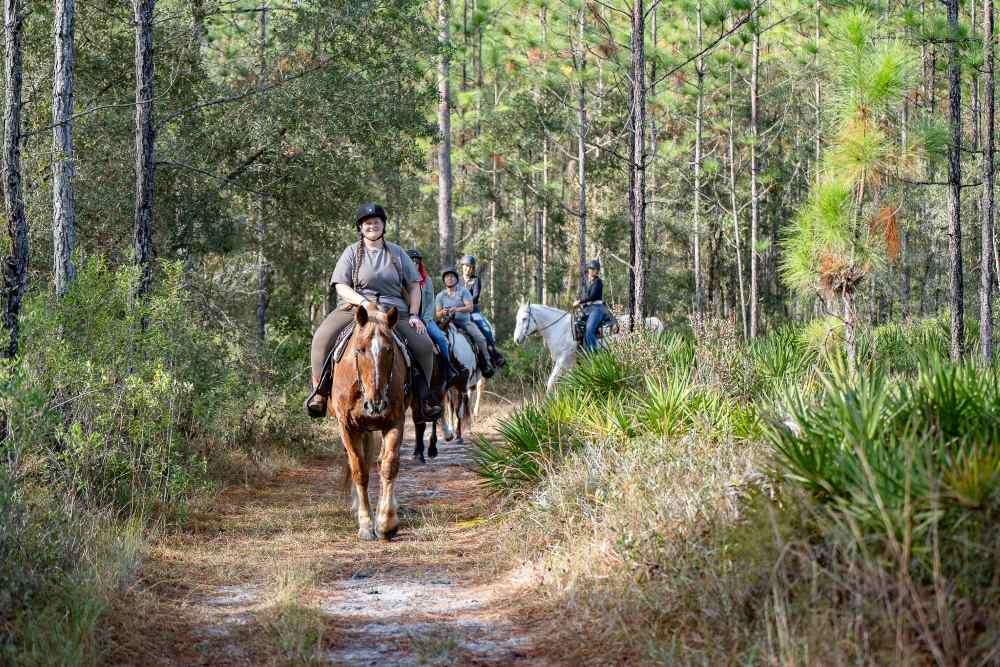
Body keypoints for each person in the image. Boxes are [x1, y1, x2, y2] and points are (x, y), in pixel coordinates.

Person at [305, 203, 441, 421]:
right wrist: (363, 302)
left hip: (393, 311)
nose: (372, 226)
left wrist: (414, 314)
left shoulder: (397, 253)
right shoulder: (351, 252)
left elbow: (415, 286)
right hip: (357, 309)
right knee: (321, 338)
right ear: (360, 227)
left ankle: (424, 399)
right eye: (367, 223)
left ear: (383, 225)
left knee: (424, 346)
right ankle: (319, 393)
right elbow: (341, 286)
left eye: (376, 222)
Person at [407, 248, 459, 387]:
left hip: (425, 319)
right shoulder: (401, 280)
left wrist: (424, 319)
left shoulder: (427, 280)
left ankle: (448, 369)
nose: (414, 264)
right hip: (405, 319)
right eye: (411, 261)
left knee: (441, 339)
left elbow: (430, 302)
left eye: (416, 262)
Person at [436, 267, 494, 378]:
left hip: (464, 322)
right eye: (447, 277)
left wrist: (456, 309)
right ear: (444, 280)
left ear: (456, 279)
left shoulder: (463, 291)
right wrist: (443, 312)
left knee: (480, 338)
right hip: (447, 323)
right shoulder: (440, 296)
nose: (450, 279)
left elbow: (470, 307)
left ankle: (486, 363)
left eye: (452, 277)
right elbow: (437, 314)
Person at [459, 255, 505, 367]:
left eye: (470, 267)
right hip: (458, 312)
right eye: (466, 266)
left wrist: (464, 304)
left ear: (473, 269)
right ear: (462, 267)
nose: (468, 269)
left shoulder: (476, 280)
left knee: (485, 330)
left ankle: (495, 355)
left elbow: (475, 296)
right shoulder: (457, 281)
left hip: (473, 312)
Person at [573, 259, 609, 352]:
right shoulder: (589, 283)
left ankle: (594, 355)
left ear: (597, 271)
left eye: (593, 269)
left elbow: (593, 297)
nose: (591, 270)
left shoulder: (598, 282)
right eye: (590, 268)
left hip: (597, 309)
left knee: (589, 331)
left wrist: (579, 302)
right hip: (588, 309)